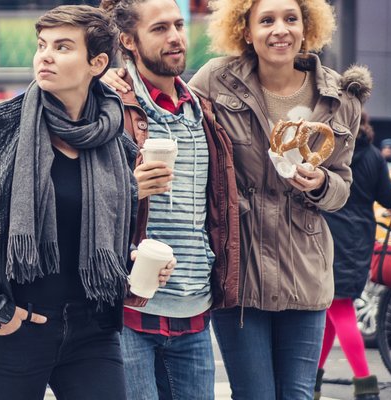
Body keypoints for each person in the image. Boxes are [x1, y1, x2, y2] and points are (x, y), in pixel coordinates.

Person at [102, 0, 366, 397]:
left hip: (305, 270)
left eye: (291, 19)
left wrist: (321, 183)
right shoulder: (217, 80)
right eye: (267, 20)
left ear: (307, 25)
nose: (280, 30)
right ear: (245, 29)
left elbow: (342, 187)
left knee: (297, 394)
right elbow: (160, 99)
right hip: (241, 274)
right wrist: (109, 76)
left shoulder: (340, 97)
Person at [0, 6, 174, 399]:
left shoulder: (116, 142)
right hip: (18, 329)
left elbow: (111, 235)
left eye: (62, 47)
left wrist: (136, 260)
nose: (45, 56)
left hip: (93, 330)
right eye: (42, 45)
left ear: (96, 63)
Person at [98, 1, 240, 399]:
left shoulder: (202, 110)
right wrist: (129, 187)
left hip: (194, 309)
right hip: (129, 310)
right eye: (160, 28)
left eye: (178, 25)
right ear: (128, 40)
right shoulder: (108, 103)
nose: (176, 37)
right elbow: (77, 193)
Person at [318, 112, 391, 400]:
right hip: (359, 237)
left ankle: (365, 386)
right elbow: (390, 198)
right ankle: (311, 383)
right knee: (333, 309)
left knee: (338, 307)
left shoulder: (328, 151)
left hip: (328, 234)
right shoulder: (374, 156)